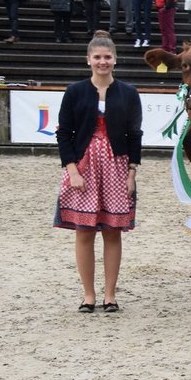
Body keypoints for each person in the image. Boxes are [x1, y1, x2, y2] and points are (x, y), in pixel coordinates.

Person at [54, 35, 142, 313]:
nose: (102, 62)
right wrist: (72, 170)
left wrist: (131, 173)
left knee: (113, 232)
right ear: (88, 60)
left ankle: (110, 295)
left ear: (115, 59)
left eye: (107, 57)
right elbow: (64, 134)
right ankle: (88, 295)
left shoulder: (128, 93)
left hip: (117, 166)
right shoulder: (75, 91)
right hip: (84, 165)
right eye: (97, 57)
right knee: (84, 232)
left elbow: (135, 135)